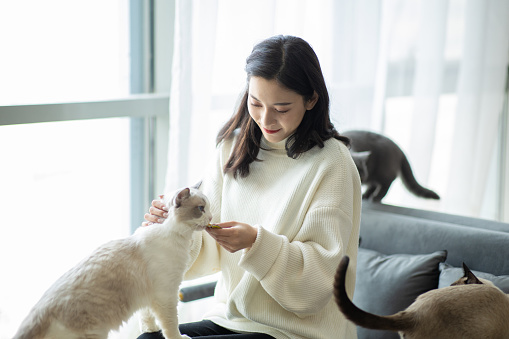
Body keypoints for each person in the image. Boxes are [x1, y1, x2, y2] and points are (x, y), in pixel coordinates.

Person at [139, 35, 361, 339]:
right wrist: (173, 228)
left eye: (281, 108)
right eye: (255, 103)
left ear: (311, 99)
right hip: (230, 319)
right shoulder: (233, 146)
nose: (265, 119)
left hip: (298, 333)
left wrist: (257, 243)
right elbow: (205, 244)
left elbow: (320, 283)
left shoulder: (332, 163)